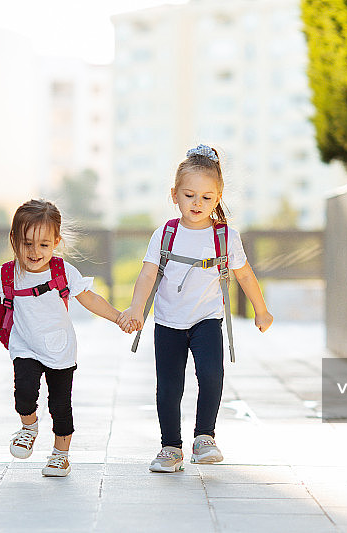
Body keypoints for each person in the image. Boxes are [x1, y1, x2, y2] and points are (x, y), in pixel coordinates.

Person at [119, 144, 273, 473]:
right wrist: (135, 309)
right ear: (174, 194)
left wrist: (261, 309)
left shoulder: (225, 236)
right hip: (168, 322)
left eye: (206, 197)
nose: (197, 204)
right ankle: (170, 447)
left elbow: (244, 274)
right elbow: (147, 273)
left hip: (207, 321)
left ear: (218, 197)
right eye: (189, 195)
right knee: (170, 385)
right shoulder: (166, 233)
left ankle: (204, 437)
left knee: (212, 375)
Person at [0, 199, 136, 477]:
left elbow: (90, 299)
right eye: (27, 243)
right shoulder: (8, 273)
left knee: (60, 405)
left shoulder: (63, 272)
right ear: (14, 240)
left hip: (60, 349)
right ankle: (28, 427)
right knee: (24, 395)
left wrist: (118, 317)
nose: (35, 252)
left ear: (56, 242)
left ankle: (60, 455)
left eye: (43, 244)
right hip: (25, 346)